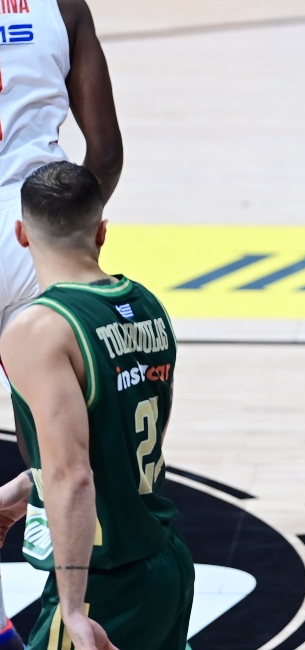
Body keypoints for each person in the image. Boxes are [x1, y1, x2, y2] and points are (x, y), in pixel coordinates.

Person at [0, 162, 193, 650]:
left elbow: (74, 474)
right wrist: (31, 486)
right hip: (164, 562)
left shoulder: (38, 329)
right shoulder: (148, 306)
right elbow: (118, 448)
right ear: (102, 232)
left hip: (102, 582)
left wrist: (72, 606)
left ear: (21, 235)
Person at [0, 1, 121, 642]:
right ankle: (70, 606)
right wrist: (65, 234)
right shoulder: (62, 5)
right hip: (32, 229)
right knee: (53, 438)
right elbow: (106, 151)